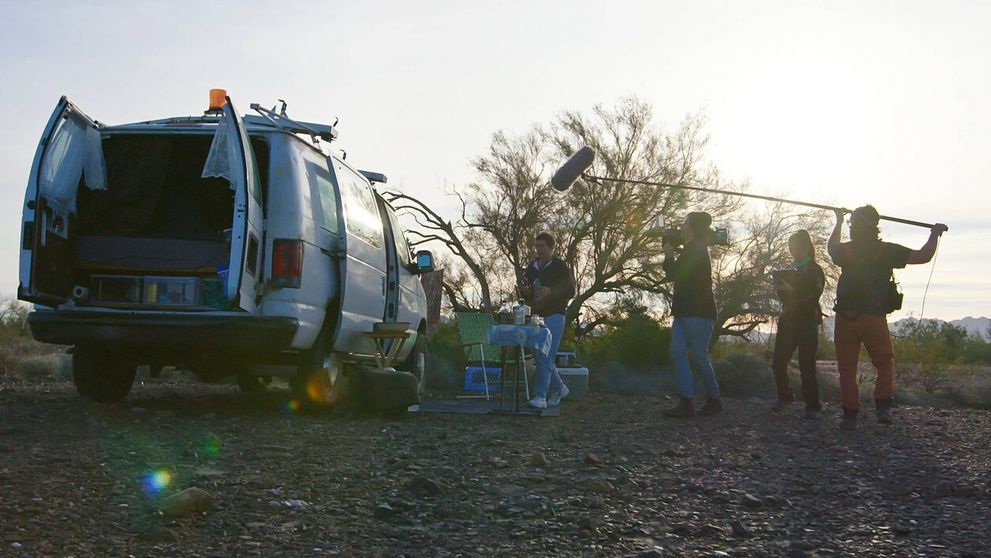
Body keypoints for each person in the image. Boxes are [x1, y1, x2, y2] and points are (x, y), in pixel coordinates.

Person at [828, 205, 947, 430]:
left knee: (847, 368)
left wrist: (838, 221)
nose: (852, 228)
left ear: (857, 226)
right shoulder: (886, 251)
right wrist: (934, 234)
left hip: (846, 318)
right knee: (884, 363)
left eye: (852, 224)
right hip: (873, 318)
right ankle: (882, 406)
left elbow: (831, 247)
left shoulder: (847, 251)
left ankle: (850, 415)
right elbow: (923, 256)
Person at [662, 211, 723, 417]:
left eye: (685, 223)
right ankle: (689, 400)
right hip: (687, 311)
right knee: (681, 353)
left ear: (692, 228)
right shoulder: (694, 249)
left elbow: (674, 274)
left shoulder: (696, 250)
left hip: (697, 312)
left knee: (695, 356)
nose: (681, 226)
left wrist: (669, 254)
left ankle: (710, 398)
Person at [770, 230, 826, 419]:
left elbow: (812, 296)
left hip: (807, 321)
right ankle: (784, 396)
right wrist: (782, 288)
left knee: (807, 364)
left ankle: (812, 405)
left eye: (794, 247)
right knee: (778, 361)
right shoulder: (790, 269)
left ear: (804, 247)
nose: (791, 250)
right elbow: (785, 297)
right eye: (790, 247)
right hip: (788, 320)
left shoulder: (814, 270)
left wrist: (791, 290)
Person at [522, 231, 576, 409]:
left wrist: (551, 291)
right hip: (537, 315)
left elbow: (570, 290)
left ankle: (540, 396)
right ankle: (560, 388)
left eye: (542, 246)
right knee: (540, 355)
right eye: (536, 246)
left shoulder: (560, 266)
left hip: (555, 314)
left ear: (551, 247)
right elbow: (526, 289)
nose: (538, 249)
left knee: (546, 354)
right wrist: (526, 292)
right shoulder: (532, 267)